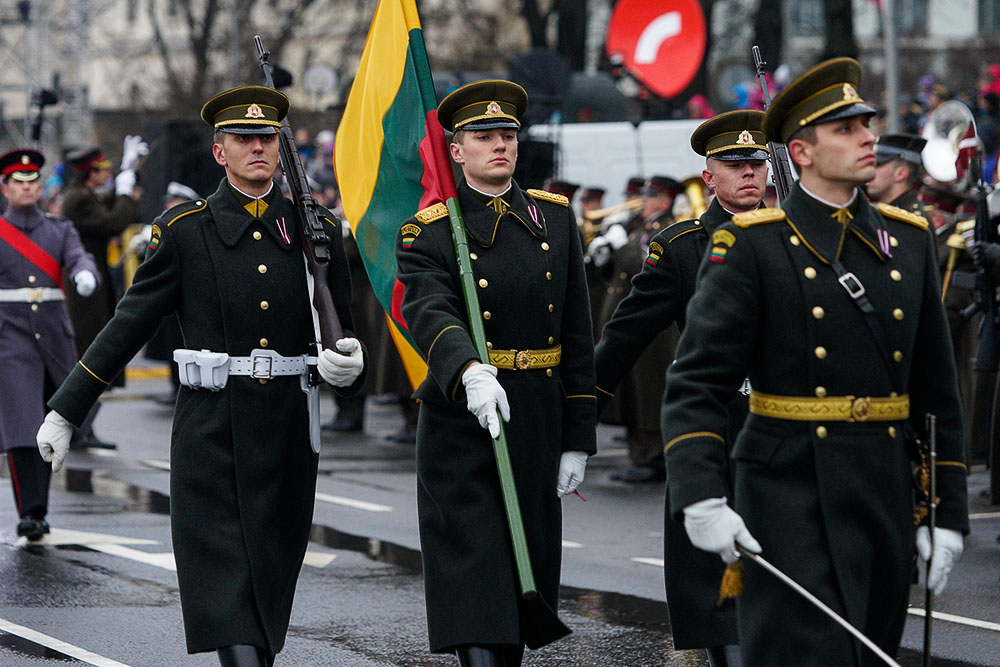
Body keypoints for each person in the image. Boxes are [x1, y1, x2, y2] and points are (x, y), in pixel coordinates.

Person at [35, 85, 367, 667]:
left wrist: (349, 367)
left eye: (267, 138)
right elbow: (130, 322)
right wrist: (68, 407)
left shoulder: (315, 228)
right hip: (212, 428)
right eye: (244, 139)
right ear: (220, 153)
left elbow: (341, 325)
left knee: (270, 579)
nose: (258, 148)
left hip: (288, 428)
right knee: (225, 587)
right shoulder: (187, 230)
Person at [662, 58, 969, 665]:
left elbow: (936, 393)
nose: (868, 139)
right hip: (786, 491)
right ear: (800, 151)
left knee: (870, 650)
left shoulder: (907, 241)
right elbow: (695, 381)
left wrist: (945, 513)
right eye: (846, 130)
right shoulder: (748, 243)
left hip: (881, 490)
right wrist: (700, 496)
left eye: (867, 125)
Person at [394, 79, 595, 666]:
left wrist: (577, 438)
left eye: (507, 134)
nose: (499, 145)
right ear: (456, 150)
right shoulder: (430, 230)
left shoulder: (555, 221)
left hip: (535, 413)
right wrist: (467, 369)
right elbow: (427, 307)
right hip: (464, 417)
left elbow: (577, 336)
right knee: (473, 572)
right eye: (482, 136)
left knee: (522, 574)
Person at [594, 110, 769, 665]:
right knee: (721, 593)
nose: (750, 175)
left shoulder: (795, 236)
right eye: (734, 164)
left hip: (785, 432)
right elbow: (624, 337)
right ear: (709, 175)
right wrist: (573, 419)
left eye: (758, 163)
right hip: (715, 429)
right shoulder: (683, 247)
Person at [0, 149, 98, 541]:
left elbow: (78, 257)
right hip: (11, 337)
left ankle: (39, 508)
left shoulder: (60, 229)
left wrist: (85, 273)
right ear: (5, 188)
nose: (26, 188)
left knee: (51, 420)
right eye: (18, 183)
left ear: (41, 187)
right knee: (23, 425)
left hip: (55, 337)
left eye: (32, 182)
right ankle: (33, 511)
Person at [594, 175, 682, 484]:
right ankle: (639, 453)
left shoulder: (666, 230)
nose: (642, 200)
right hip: (632, 323)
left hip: (653, 330)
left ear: (665, 200)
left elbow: (646, 268)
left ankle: (653, 456)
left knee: (648, 392)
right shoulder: (640, 228)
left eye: (650, 196)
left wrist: (622, 248)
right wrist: (604, 256)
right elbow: (619, 273)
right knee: (633, 392)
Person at [61, 140, 145, 447]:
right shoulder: (77, 200)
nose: (104, 176)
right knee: (89, 356)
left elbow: (105, 206)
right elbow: (113, 221)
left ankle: (83, 426)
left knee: (93, 355)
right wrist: (124, 190)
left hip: (94, 284)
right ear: (88, 174)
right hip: (85, 288)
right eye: (101, 171)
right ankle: (78, 425)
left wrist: (129, 170)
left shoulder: (82, 196)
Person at [866, 133, 927, 213]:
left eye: (877, 165)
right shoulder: (883, 212)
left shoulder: (909, 219)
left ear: (900, 173)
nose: (869, 171)